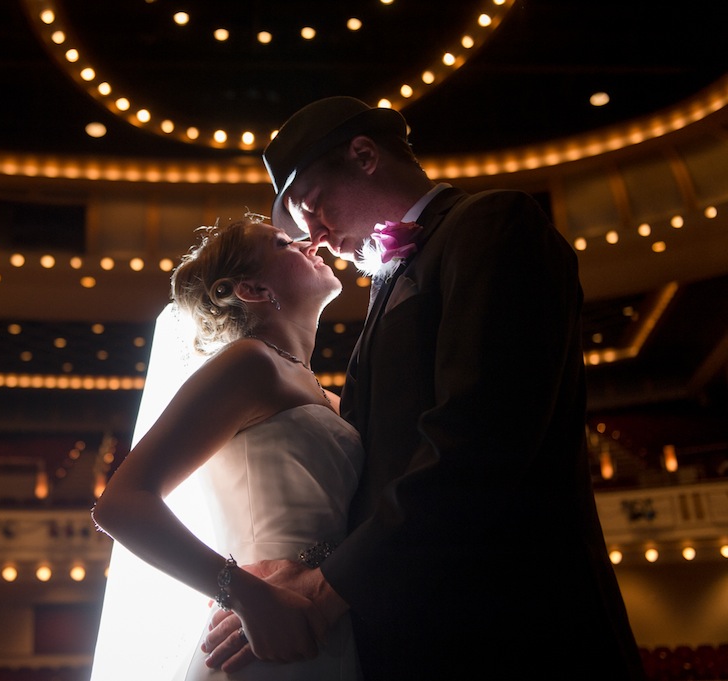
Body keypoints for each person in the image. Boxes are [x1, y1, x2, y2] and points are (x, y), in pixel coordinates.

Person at [201, 97, 646, 679]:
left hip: (517, 625)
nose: (313, 234)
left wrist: (327, 587)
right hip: (418, 630)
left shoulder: (492, 223)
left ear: (364, 156)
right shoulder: (387, 284)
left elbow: (481, 440)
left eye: (311, 203)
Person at [91, 214, 364, 680]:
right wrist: (246, 596)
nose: (308, 244)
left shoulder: (331, 397)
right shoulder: (251, 362)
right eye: (283, 243)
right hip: (262, 636)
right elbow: (121, 505)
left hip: (336, 623)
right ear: (254, 290)